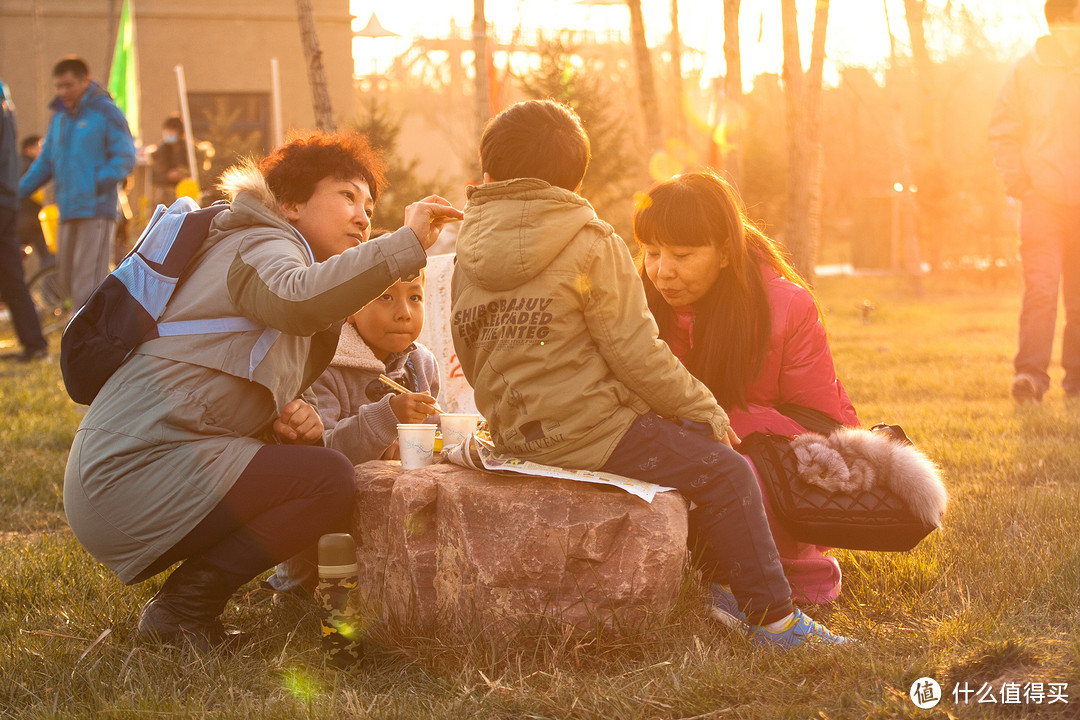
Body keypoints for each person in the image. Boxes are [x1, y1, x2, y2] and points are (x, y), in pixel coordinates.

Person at [450, 99, 850, 648]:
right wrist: (706, 410)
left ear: (489, 176)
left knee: (686, 447)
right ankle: (773, 621)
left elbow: (468, 347)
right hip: (591, 435)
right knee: (725, 470)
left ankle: (721, 584)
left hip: (516, 433)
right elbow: (636, 354)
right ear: (574, 179)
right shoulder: (592, 244)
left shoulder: (464, 254)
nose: (662, 268)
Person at [62, 130, 461, 650]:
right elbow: (298, 299)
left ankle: (185, 612)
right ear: (290, 203)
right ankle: (183, 610)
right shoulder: (258, 240)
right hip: (131, 472)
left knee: (317, 473)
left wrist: (288, 427)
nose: (364, 216)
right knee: (326, 481)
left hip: (141, 471)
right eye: (347, 196)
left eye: (369, 203)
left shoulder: (274, 253)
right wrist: (405, 243)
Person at [633, 170, 859, 605]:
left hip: (768, 463)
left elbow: (820, 423)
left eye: (682, 254)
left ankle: (761, 582)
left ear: (724, 252)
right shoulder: (635, 302)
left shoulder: (786, 306)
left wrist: (713, 423)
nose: (663, 272)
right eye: (652, 252)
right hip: (669, 450)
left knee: (735, 466)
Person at [267, 269, 440, 593]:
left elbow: (432, 430)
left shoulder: (421, 363)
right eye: (385, 297)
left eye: (414, 297)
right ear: (351, 308)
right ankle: (300, 586)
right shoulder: (325, 363)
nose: (404, 312)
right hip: (324, 541)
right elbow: (322, 453)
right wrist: (387, 417)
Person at [989, 0, 1080, 404]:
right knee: (1041, 290)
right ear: (1063, 21)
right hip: (1041, 200)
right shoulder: (1027, 70)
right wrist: (1020, 185)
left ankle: (1077, 380)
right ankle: (1030, 376)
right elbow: (1003, 130)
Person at [18, 56, 137, 310]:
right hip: (67, 210)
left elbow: (125, 158)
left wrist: (94, 183)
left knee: (87, 286)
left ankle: (82, 346)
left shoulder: (106, 113)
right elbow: (45, 162)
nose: (63, 91)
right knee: (68, 283)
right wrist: (16, 192)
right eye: (59, 86)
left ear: (86, 81)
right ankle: (83, 339)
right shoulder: (60, 118)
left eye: (69, 85)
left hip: (96, 211)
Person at [0, 78, 49, 362]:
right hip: (7, 201)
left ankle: (35, 344)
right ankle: (35, 345)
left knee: (12, 278)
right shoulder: (7, 106)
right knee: (12, 278)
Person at [16, 135, 53, 269]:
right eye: (39, 146)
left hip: (18, 220)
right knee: (49, 256)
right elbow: (39, 197)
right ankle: (50, 288)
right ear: (29, 149)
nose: (41, 150)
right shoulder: (31, 167)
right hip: (32, 221)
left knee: (13, 259)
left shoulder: (17, 164)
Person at [150, 114, 192, 206]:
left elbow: (197, 172)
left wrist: (181, 173)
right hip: (165, 198)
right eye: (167, 130)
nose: (169, 133)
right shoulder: (159, 152)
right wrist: (167, 176)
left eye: (172, 130)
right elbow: (153, 176)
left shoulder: (191, 151)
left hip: (186, 195)